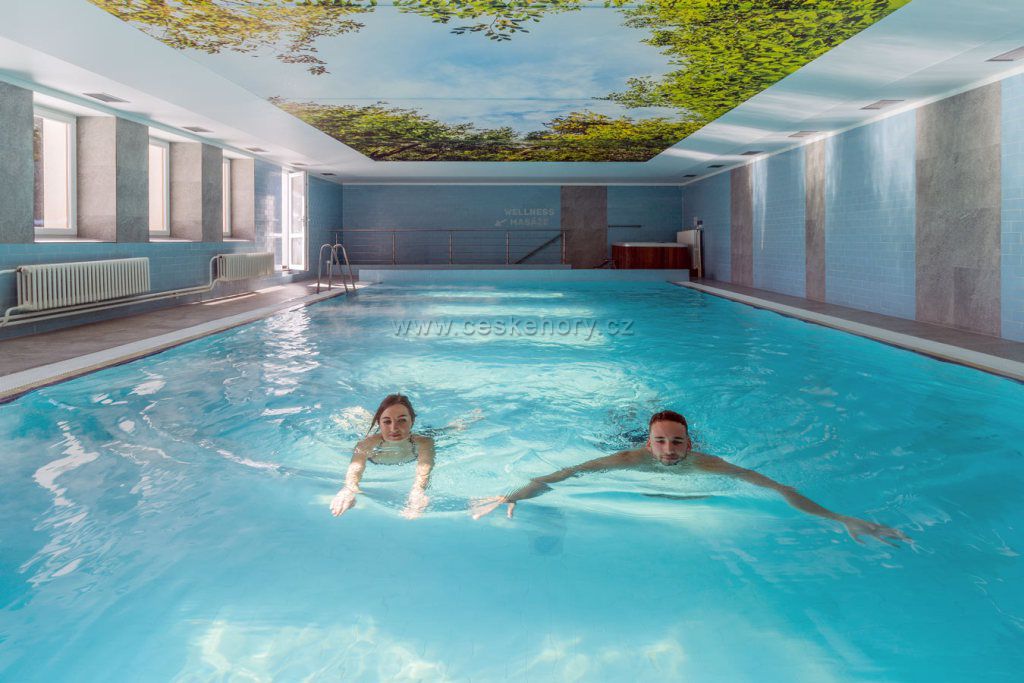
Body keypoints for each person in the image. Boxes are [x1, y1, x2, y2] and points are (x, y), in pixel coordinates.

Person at [471, 410, 910, 546]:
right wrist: (514, 496)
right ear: (649, 444)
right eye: (661, 442)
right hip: (623, 440)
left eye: (677, 442)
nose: (668, 450)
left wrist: (840, 518)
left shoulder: (707, 464)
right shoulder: (628, 458)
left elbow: (780, 488)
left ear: (689, 444)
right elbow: (563, 474)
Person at [330, 394, 436, 520]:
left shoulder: (424, 442)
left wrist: (418, 491)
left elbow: (424, 467)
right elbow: (356, 466)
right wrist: (349, 489)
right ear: (379, 424)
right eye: (386, 422)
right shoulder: (367, 444)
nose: (394, 428)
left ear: (412, 421)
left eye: (402, 420)